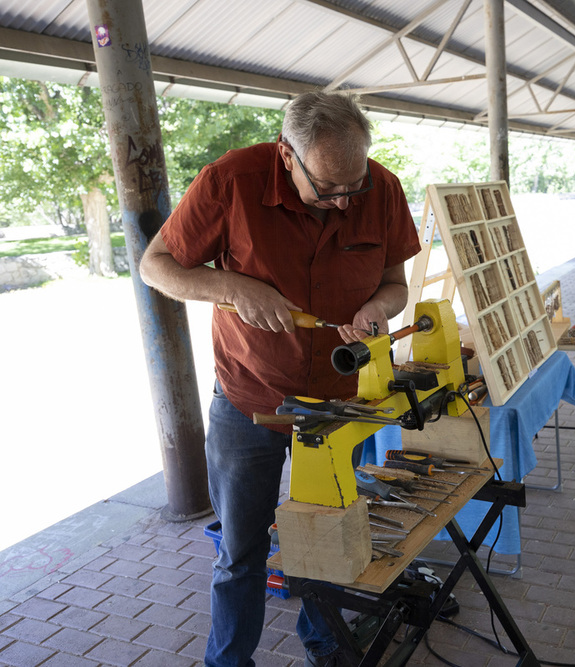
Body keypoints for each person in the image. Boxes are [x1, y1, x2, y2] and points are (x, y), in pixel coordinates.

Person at [139, 91, 421, 667]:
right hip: (251, 396)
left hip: (344, 402)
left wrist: (378, 309)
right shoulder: (230, 181)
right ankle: (229, 659)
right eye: (328, 188)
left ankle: (324, 640)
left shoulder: (383, 189)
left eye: (354, 185)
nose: (344, 202)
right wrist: (232, 287)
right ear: (286, 155)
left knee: (337, 533)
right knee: (241, 549)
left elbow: (395, 282)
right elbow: (155, 265)